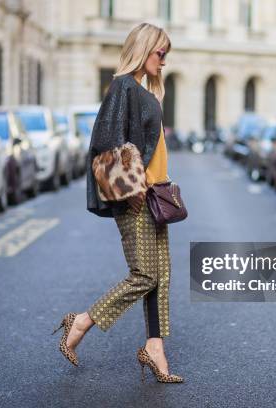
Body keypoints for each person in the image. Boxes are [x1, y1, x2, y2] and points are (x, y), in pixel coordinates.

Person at [52, 22, 183, 383]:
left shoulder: (143, 89)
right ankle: (81, 321)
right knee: (145, 274)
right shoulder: (123, 86)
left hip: (156, 194)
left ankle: (154, 349)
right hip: (136, 197)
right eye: (161, 53)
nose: (165, 61)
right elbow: (107, 143)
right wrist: (134, 187)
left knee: (162, 276)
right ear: (144, 49)